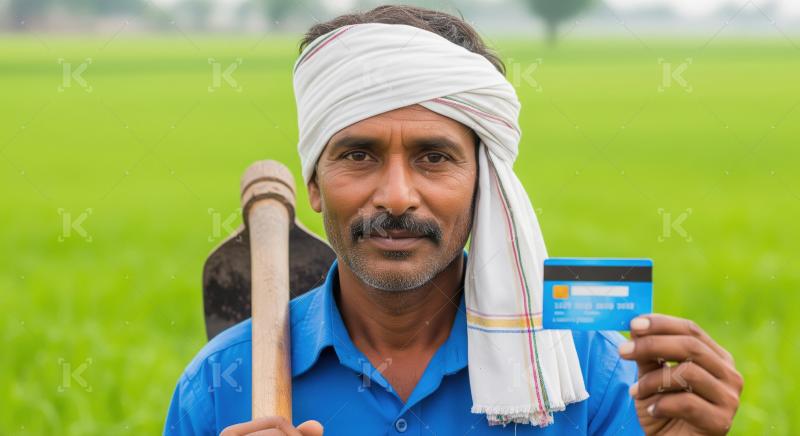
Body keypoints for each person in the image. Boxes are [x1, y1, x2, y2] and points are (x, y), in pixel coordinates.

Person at [165, 5, 742, 435]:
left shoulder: (589, 375)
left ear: (486, 184)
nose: (395, 196)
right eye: (358, 155)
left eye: (433, 157)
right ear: (314, 184)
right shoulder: (220, 387)